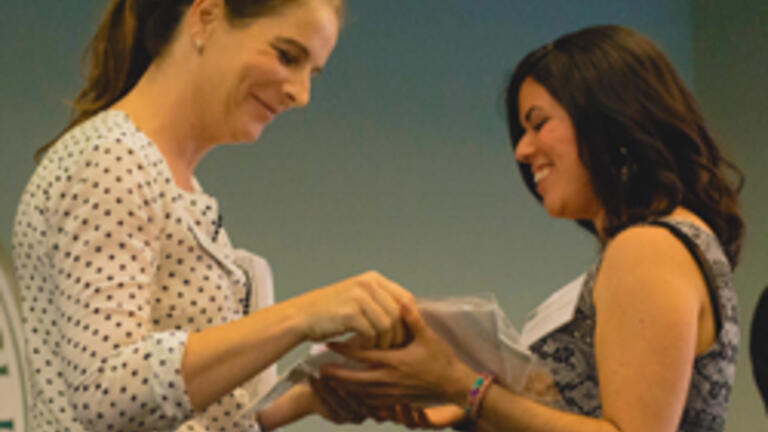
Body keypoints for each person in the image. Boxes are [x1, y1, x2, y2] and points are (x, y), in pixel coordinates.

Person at [11, 0, 416, 431]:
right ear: (205, 18)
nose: (301, 94)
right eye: (287, 56)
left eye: (311, 73)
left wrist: (306, 399)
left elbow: (179, 413)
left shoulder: (170, 182)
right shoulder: (111, 160)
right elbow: (107, 393)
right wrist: (303, 317)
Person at [321, 24, 744, 432]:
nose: (523, 151)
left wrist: (457, 383)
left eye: (538, 124)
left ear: (611, 119)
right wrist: (465, 410)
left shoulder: (648, 247)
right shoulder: (663, 242)